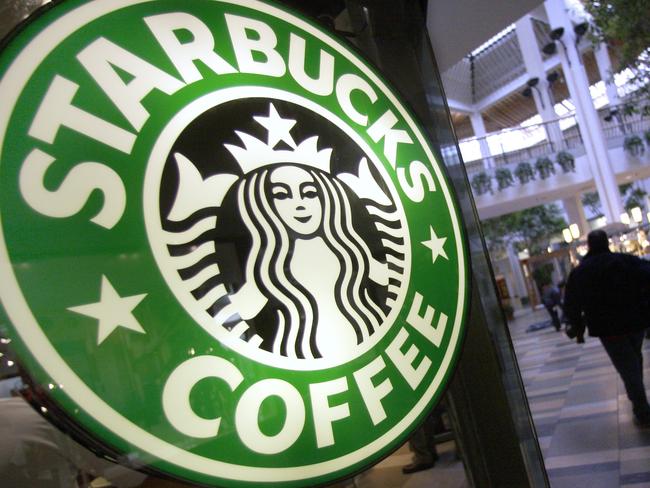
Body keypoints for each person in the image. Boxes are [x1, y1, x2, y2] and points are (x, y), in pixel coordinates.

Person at [563, 229, 650, 426]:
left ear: (589, 246)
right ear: (607, 242)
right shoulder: (626, 261)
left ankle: (642, 408)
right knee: (634, 360)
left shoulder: (581, 272)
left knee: (628, 366)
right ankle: (640, 403)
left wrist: (575, 325)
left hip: (608, 328)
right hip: (636, 321)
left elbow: (572, 302)